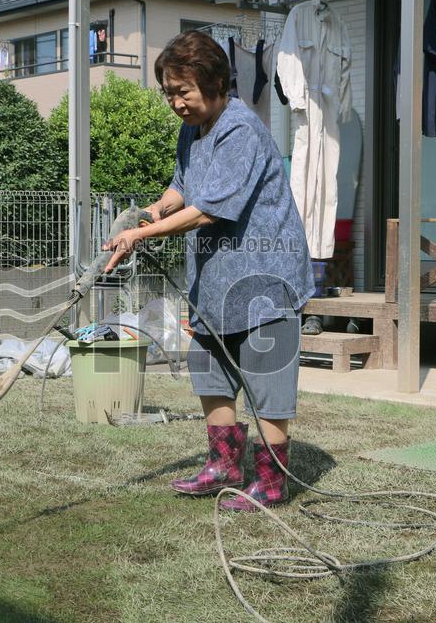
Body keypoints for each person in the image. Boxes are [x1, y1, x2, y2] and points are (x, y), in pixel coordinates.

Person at [102, 30, 315, 512]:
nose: (176, 102)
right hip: (216, 279)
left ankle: (273, 481)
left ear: (217, 83)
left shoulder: (239, 128)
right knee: (212, 372)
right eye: (169, 93)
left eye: (185, 91)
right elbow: (184, 186)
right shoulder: (193, 128)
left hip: (264, 277)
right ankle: (223, 465)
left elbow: (210, 210)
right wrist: (157, 208)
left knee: (267, 380)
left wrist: (140, 235)